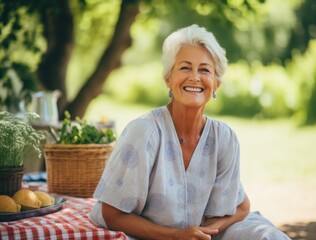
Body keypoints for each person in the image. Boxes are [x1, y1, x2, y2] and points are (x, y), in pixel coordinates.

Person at [89, 24, 291, 240]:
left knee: (266, 236)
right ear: (169, 79)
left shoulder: (224, 138)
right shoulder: (144, 132)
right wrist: (176, 236)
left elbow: (242, 207)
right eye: (185, 68)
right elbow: (112, 214)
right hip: (149, 235)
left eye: (205, 70)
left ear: (216, 84)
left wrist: (206, 233)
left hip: (207, 234)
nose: (195, 77)